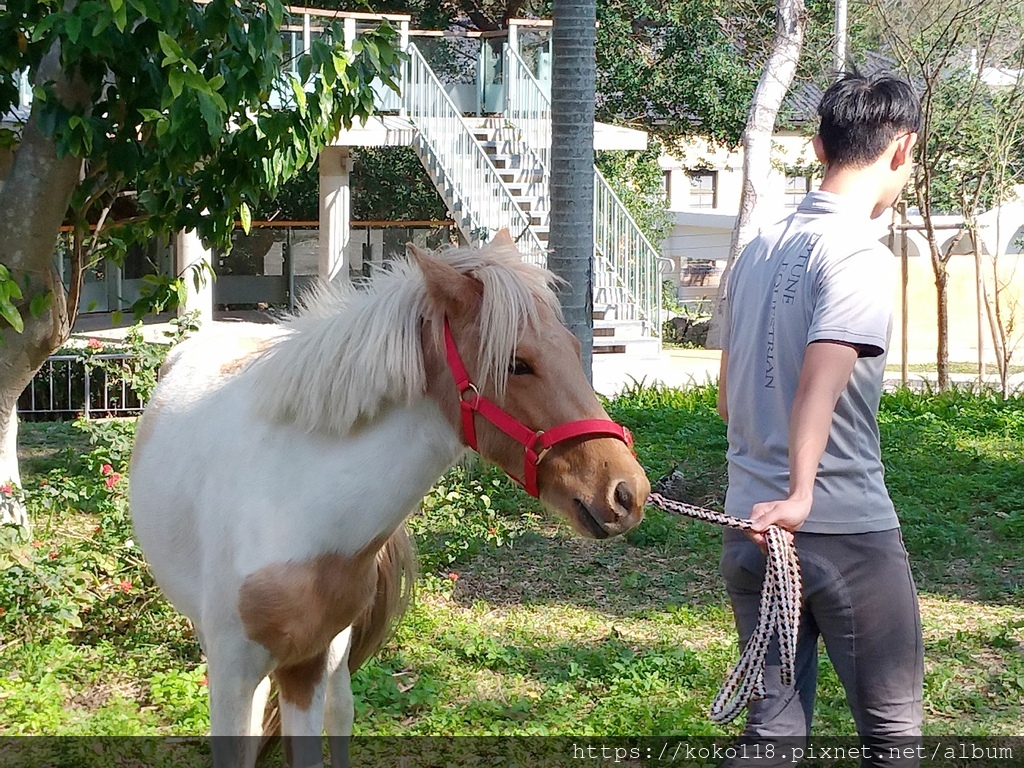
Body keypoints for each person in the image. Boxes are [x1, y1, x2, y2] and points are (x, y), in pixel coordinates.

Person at [716, 71, 924, 766]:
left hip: (750, 532)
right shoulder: (860, 254)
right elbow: (819, 386)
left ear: (817, 146)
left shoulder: (754, 254)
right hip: (839, 529)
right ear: (902, 148)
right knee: (893, 737)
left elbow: (727, 397)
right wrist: (801, 495)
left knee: (772, 736)